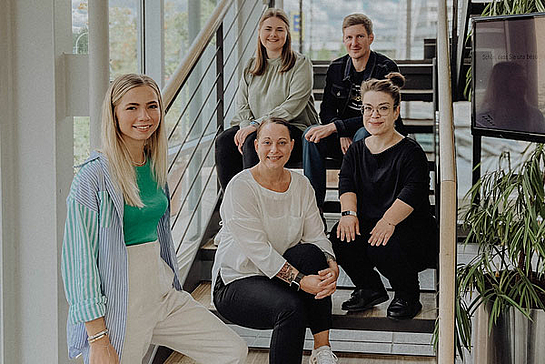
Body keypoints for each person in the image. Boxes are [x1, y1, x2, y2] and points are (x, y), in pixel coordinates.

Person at [61, 74, 247, 364]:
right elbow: (78, 262)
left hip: (161, 290)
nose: (144, 116)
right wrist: (97, 337)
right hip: (122, 300)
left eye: (152, 106)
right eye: (132, 107)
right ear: (114, 114)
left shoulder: (155, 167)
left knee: (232, 350)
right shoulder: (93, 176)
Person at [212, 118, 339, 364]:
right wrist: (302, 281)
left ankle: (322, 349)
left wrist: (332, 265)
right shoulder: (240, 186)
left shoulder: (301, 185)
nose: (274, 150)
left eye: (282, 143)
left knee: (313, 254)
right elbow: (258, 251)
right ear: (256, 145)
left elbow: (316, 235)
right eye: (267, 143)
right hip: (237, 279)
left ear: (292, 146)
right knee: (291, 308)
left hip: (277, 274)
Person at [330, 73, 437, 320]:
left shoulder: (411, 151)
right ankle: (369, 288)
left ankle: (408, 294)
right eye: (368, 109)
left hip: (410, 229)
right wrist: (348, 214)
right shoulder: (357, 149)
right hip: (374, 224)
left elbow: (413, 191)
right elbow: (346, 182)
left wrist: (388, 221)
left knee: (381, 240)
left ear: (395, 112)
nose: (374, 115)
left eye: (382, 109)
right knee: (341, 234)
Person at [303, 13, 404, 211]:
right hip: (344, 137)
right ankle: (313, 210)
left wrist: (338, 127)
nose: (354, 42)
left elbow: (379, 116)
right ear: (343, 40)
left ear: (370, 38)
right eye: (349, 37)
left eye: (360, 37)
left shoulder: (385, 67)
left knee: (365, 133)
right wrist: (339, 131)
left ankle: (358, 208)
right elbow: (327, 110)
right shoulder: (336, 67)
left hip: (375, 133)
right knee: (311, 135)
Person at [215, 8, 318, 191]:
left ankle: (258, 204)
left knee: (252, 141)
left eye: (279, 29)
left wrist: (255, 125)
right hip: (255, 128)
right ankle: (232, 208)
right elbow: (242, 104)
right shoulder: (251, 65)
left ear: (287, 34)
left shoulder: (300, 63)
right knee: (224, 141)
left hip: (292, 130)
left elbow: (291, 107)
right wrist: (246, 126)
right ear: (260, 33)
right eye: (268, 29)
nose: (273, 34)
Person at [476, 61, 545, 133]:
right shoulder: (482, 120)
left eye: (524, 80)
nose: (524, 85)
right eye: (518, 80)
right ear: (502, 84)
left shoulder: (535, 115)